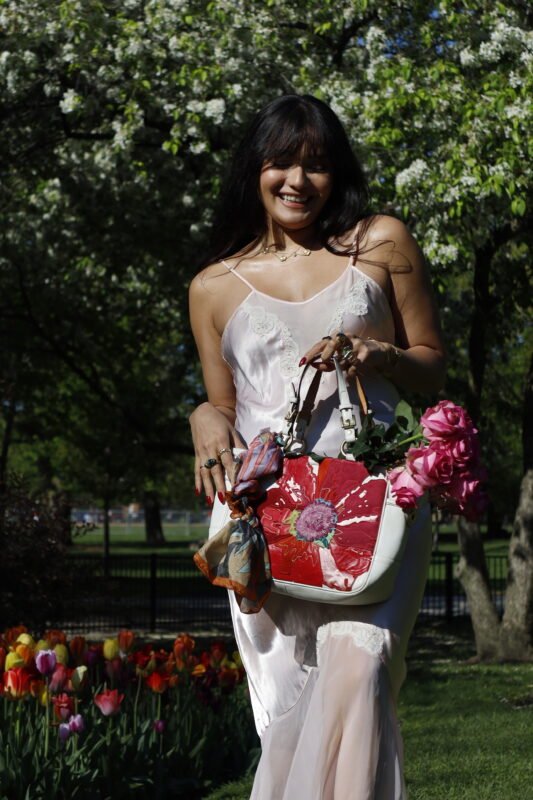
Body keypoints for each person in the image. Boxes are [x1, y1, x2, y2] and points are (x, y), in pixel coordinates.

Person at [188, 94, 446, 800]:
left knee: (360, 670)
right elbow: (225, 404)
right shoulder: (212, 286)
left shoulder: (381, 242)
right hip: (263, 520)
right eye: (281, 162)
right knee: (288, 711)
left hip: (377, 505)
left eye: (317, 165)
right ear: (255, 169)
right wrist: (202, 416)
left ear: (338, 174)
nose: (297, 181)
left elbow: (432, 362)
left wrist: (379, 354)